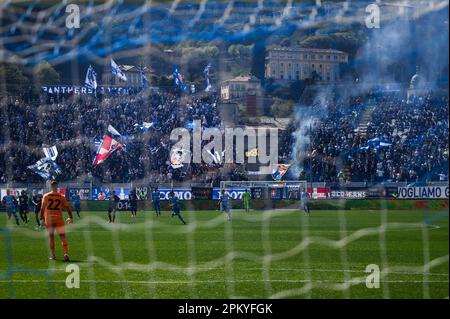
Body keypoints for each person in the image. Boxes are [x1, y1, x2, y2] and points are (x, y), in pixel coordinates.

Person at [40, 181, 73, 261]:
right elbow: (68, 208)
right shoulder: (61, 196)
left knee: (51, 237)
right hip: (58, 218)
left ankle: (53, 255)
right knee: (62, 237)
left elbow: (42, 208)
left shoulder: (46, 196)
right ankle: (65, 254)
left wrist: (41, 218)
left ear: (50, 187)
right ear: (57, 186)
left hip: (49, 219)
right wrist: (70, 217)